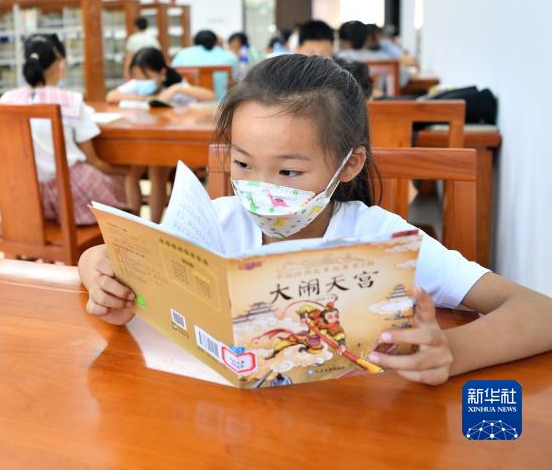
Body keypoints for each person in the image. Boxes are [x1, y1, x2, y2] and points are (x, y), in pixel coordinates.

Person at [79, 55, 552, 385]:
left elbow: (540, 312)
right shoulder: (216, 222)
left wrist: (453, 353)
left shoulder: (384, 241)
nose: (260, 188)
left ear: (349, 164)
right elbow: (105, 260)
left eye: (288, 172)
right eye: (242, 163)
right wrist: (101, 270)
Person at [0, 34, 137, 225]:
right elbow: (92, 160)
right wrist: (122, 170)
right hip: (70, 197)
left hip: (25, 196)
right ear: (58, 65)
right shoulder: (70, 100)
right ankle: (131, 235)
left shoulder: (7, 99)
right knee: (127, 176)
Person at [107, 47, 214, 223]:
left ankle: (154, 225)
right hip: (139, 141)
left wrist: (176, 89)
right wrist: (145, 99)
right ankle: (135, 223)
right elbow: (111, 96)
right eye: (138, 78)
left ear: (162, 73)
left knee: (157, 172)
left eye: (147, 77)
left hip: (168, 143)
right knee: (132, 173)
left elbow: (208, 95)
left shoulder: (174, 85)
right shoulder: (137, 86)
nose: (142, 82)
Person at [171, 30, 239, 99]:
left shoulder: (183, 54)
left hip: (189, 102)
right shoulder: (230, 56)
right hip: (222, 102)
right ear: (215, 42)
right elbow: (237, 81)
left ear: (194, 42)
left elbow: (172, 77)